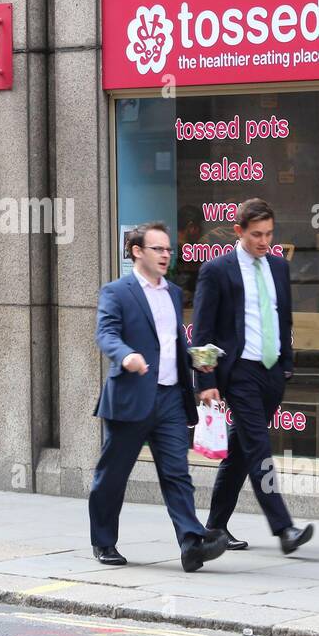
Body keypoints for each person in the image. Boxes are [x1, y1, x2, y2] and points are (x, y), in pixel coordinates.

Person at [88, 221, 228, 573]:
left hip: (170, 399)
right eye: (158, 249)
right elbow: (106, 334)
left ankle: (191, 543)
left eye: (169, 249)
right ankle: (103, 541)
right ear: (137, 251)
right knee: (113, 474)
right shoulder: (117, 292)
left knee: (177, 473)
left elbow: (175, 344)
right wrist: (126, 356)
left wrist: (203, 374)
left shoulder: (173, 293)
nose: (166, 255)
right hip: (130, 398)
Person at [192, 198, 313, 555]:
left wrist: (286, 364)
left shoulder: (278, 267)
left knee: (241, 452)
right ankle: (284, 528)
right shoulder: (217, 270)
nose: (264, 241)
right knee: (259, 448)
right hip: (239, 372)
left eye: (269, 234)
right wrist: (206, 382)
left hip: (272, 372)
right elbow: (202, 332)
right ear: (239, 231)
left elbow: (284, 318)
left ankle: (215, 527)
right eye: (257, 234)